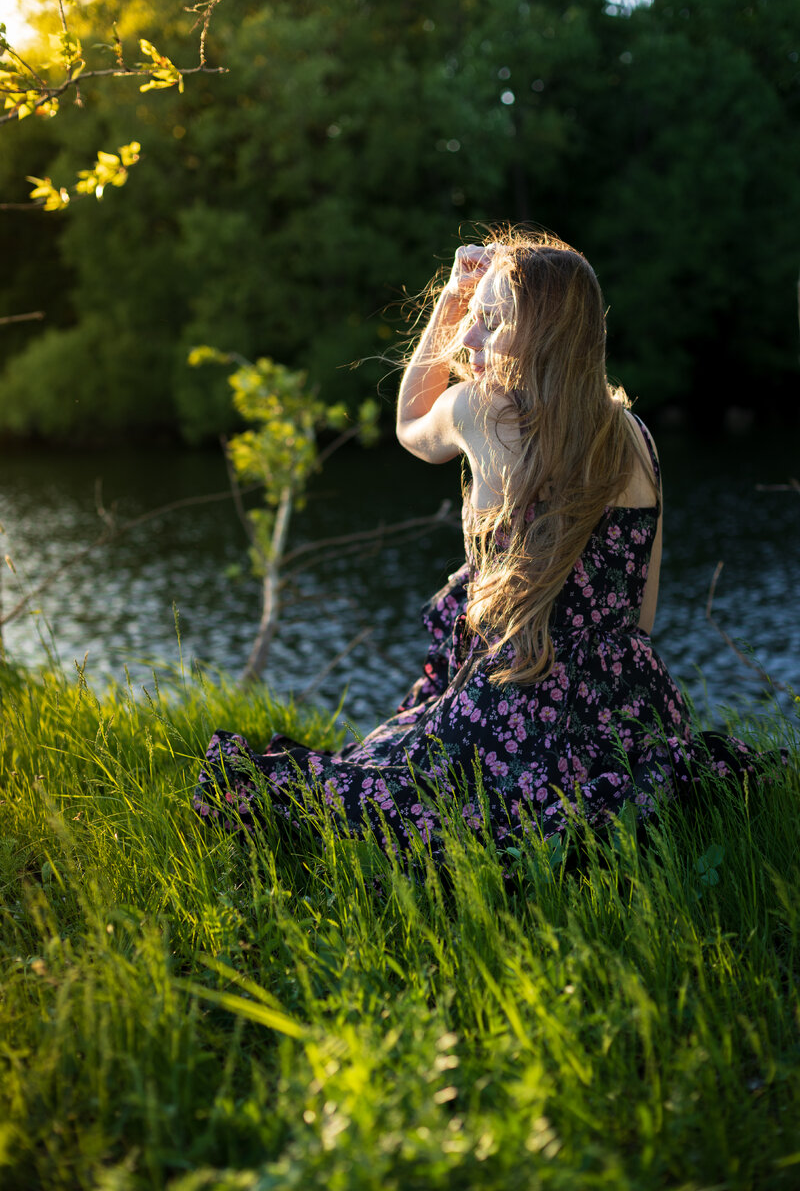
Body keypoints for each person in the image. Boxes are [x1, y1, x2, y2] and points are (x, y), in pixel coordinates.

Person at [193, 228, 781, 860]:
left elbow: (410, 425)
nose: (467, 340)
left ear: (547, 339)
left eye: (492, 324)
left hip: (517, 698)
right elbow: (642, 614)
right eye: (471, 318)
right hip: (631, 710)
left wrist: (449, 298)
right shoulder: (636, 436)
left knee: (357, 792)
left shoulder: (482, 409)